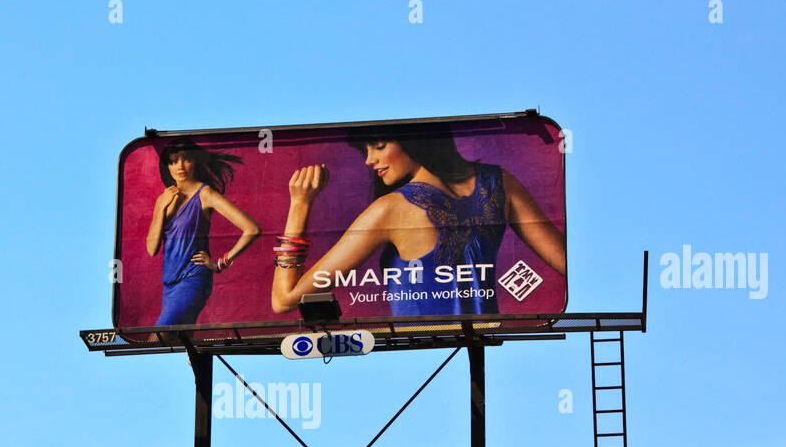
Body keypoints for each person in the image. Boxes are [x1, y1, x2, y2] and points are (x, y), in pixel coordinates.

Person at [270, 124, 566, 317]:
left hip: (418, 351)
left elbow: (284, 299)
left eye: (380, 145)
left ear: (417, 143)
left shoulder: (390, 210)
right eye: (365, 151)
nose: (369, 160)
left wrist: (299, 204)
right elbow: (569, 262)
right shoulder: (498, 182)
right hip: (485, 340)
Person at [147, 138, 260, 326]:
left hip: (193, 279)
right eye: (173, 161)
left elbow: (252, 229)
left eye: (186, 159)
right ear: (167, 166)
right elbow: (152, 248)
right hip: (169, 284)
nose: (180, 166)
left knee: (159, 335)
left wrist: (220, 263)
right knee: (181, 341)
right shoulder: (163, 198)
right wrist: (161, 209)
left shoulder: (205, 194)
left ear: (195, 161)